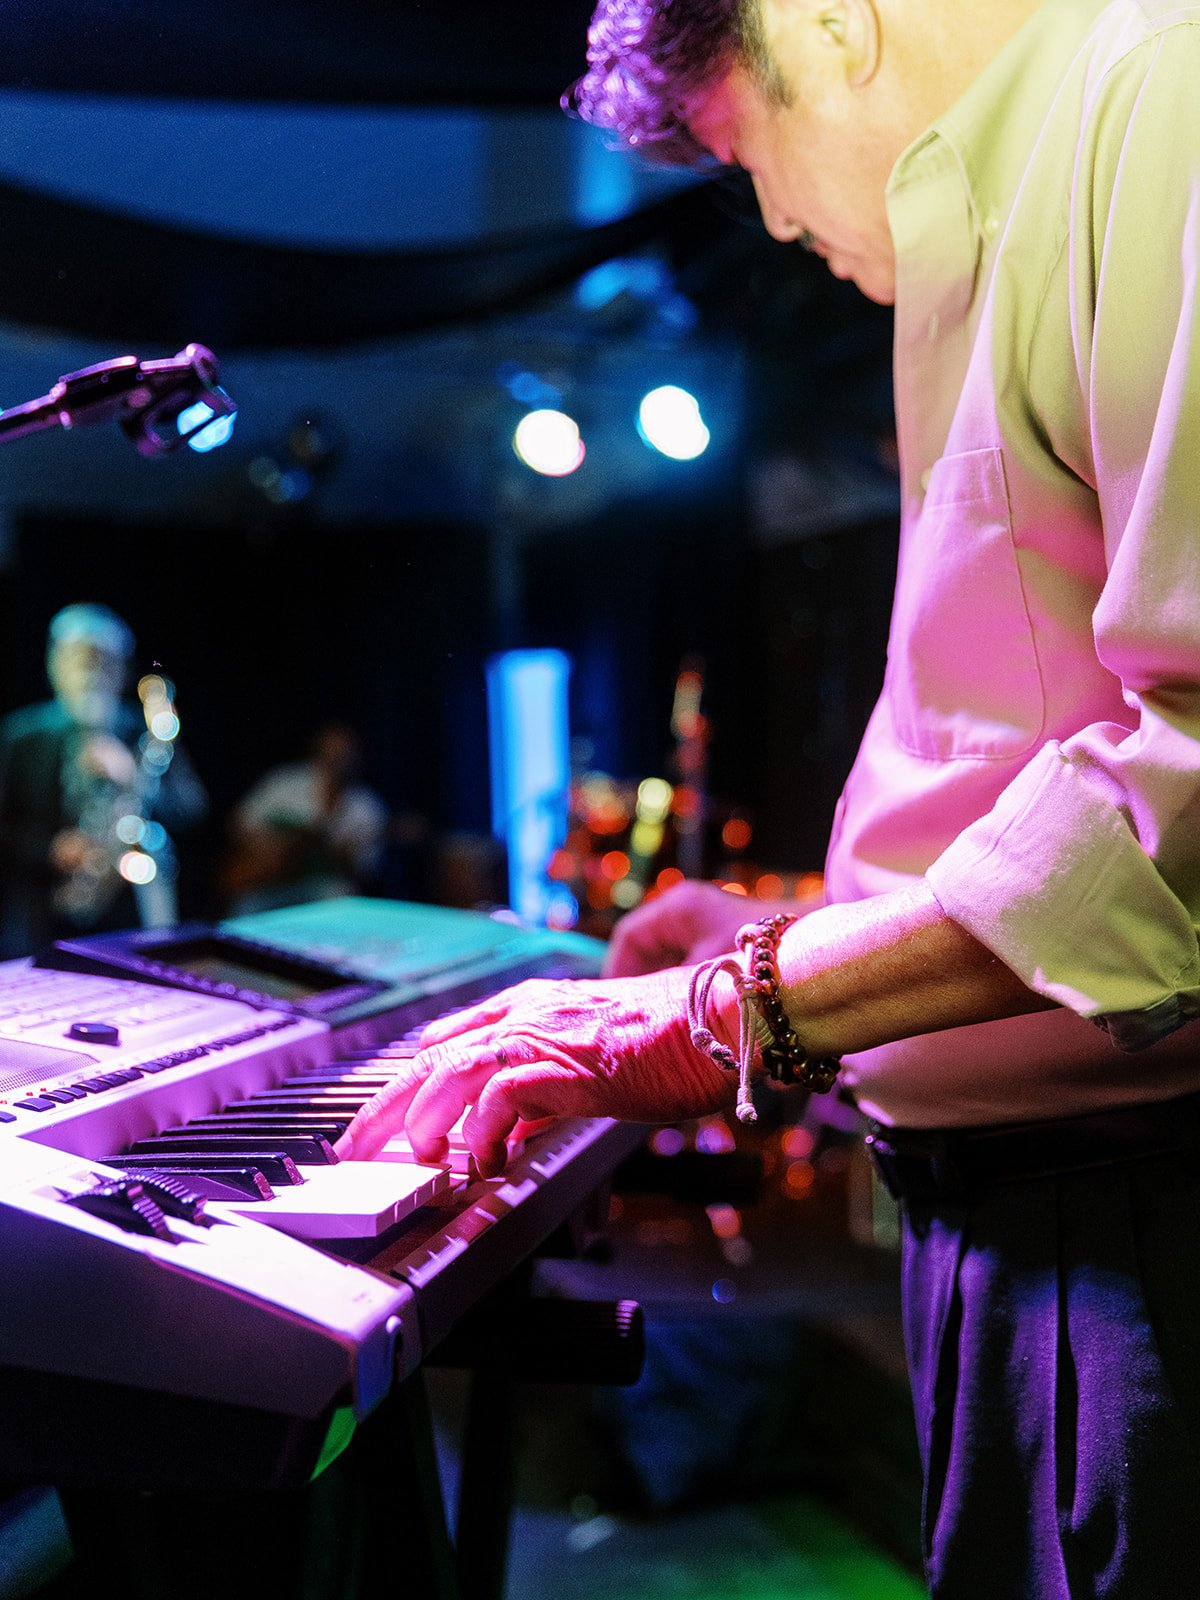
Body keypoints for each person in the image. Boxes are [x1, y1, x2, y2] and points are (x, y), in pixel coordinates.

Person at [338, 1, 1200, 1593]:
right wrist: (811, 938)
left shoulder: (1162, 90)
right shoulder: (1026, 187)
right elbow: (1049, 767)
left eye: (751, 158)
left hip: (1136, 1234)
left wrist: (736, 1013)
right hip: (1034, 1235)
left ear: (832, 24)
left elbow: (1191, 800)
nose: (781, 222)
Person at [0, 603, 208, 956]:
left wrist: (131, 773)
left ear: (123, 671)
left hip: (127, 912)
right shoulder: (20, 735)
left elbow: (192, 808)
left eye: (104, 661)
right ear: (55, 665)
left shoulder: (143, 729)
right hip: (38, 913)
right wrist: (51, 848)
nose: (91, 672)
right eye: (79, 659)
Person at [220, 722, 389, 914]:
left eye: (345, 752)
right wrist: (271, 850)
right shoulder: (285, 782)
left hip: (322, 887)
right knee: (245, 907)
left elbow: (364, 874)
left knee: (340, 898)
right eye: (332, 749)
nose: (338, 758)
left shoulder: (367, 807)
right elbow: (239, 822)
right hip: (267, 883)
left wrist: (340, 856)